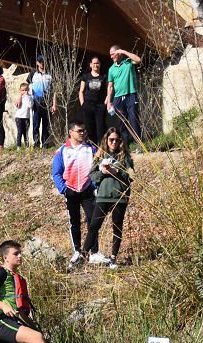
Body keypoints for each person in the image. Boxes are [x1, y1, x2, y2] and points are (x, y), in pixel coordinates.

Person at [0, 240, 56, 343]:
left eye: (20, 253)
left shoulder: (17, 278)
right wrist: (3, 306)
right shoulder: (1, 272)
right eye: (15, 253)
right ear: (5, 257)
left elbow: (20, 312)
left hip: (10, 323)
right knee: (36, 337)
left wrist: (33, 327)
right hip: (0, 321)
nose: (20, 256)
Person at [84, 127, 134, 268]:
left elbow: (131, 176)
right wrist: (102, 172)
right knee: (94, 226)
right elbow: (92, 175)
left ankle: (113, 258)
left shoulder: (125, 157)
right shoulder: (99, 156)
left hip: (119, 198)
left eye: (117, 140)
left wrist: (117, 171)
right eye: (111, 139)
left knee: (117, 228)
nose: (114, 142)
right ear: (106, 140)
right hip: (103, 196)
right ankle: (83, 255)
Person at [52, 123, 97, 268]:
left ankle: (94, 252)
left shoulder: (91, 149)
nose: (82, 133)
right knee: (74, 221)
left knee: (93, 220)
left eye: (84, 130)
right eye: (79, 131)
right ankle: (77, 251)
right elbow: (56, 173)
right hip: (70, 190)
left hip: (87, 190)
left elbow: (98, 168)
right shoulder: (62, 151)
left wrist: (94, 185)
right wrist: (64, 189)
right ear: (71, 132)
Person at [105, 45, 142, 143]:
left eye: (113, 54)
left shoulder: (128, 62)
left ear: (119, 53)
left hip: (131, 95)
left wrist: (124, 51)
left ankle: (139, 144)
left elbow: (138, 60)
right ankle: (125, 145)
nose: (111, 57)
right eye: (110, 55)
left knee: (133, 119)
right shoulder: (111, 69)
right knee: (122, 123)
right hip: (117, 98)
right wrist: (109, 102)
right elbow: (110, 86)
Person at [26, 56, 57, 148]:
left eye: (43, 61)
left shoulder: (51, 74)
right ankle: (36, 144)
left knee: (46, 125)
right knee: (35, 124)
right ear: (37, 63)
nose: (42, 63)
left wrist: (54, 104)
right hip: (36, 102)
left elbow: (54, 90)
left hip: (47, 101)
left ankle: (45, 144)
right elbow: (26, 87)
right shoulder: (32, 73)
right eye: (40, 61)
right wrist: (27, 98)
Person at [78, 56, 108, 146]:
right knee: (90, 129)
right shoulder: (85, 77)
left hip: (100, 106)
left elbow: (108, 91)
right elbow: (81, 91)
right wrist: (83, 104)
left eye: (97, 63)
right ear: (90, 65)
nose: (96, 65)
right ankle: (92, 149)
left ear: (100, 64)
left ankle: (101, 150)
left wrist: (105, 104)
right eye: (94, 63)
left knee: (100, 129)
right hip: (88, 106)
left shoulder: (104, 77)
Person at [14, 82, 32, 149]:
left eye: (26, 90)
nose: (24, 91)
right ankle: (18, 146)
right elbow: (17, 106)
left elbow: (30, 105)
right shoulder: (19, 97)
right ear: (20, 90)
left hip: (26, 117)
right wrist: (20, 97)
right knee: (20, 132)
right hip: (19, 117)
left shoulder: (30, 97)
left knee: (26, 133)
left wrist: (26, 96)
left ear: (28, 90)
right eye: (23, 90)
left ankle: (27, 147)